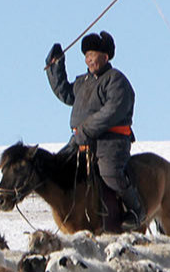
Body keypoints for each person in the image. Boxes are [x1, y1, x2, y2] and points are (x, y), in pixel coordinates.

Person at [44, 31, 146, 231]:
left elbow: (112, 111)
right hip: (81, 139)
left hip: (111, 141)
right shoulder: (83, 82)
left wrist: (87, 129)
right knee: (58, 166)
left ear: (105, 56)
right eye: (86, 56)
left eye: (93, 55)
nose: (88, 59)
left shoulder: (116, 80)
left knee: (110, 173)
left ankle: (136, 210)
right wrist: (55, 65)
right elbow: (65, 93)